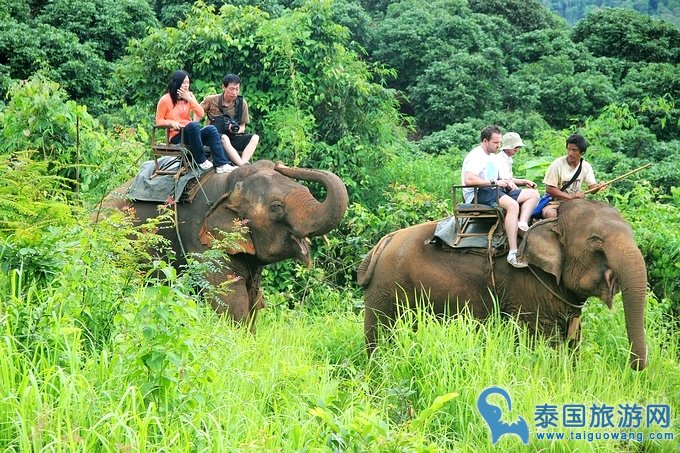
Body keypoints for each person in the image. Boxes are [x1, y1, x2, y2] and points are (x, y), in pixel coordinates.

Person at [462, 126, 538, 268]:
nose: (499, 146)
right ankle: (513, 253)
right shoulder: (476, 156)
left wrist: (509, 183)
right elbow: (469, 180)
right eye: (496, 143)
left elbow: (498, 178)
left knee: (532, 194)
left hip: (493, 189)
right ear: (485, 141)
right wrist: (495, 182)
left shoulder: (491, 156)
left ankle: (522, 223)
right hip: (479, 193)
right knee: (513, 205)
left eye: (499, 142)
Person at [155, 70, 233, 173]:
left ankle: (221, 164)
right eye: (183, 82)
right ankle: (201, 160)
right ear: (176, 83)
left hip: (191, 133)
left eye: (188, 82)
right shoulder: (165, 99)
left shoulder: (189, 97)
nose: (186, 85)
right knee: (193, 125)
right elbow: (159, 120)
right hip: (177, 136)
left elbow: (200, 113)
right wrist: (170, 122)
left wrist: (191, 100)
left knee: (211, 129)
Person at [541, 133, 606, 219]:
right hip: (556, 203)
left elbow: (592, 189)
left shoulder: (586, 166)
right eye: (569, 149)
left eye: (574, 150)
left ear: (582, 152)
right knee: (551, 214)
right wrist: (570, 197)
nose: (570, 153)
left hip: (577, 202)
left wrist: (598, 187)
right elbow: (550, 189)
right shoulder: (557, 164)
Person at [200, 74, 259, 167]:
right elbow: (197, 111)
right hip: (214, 138)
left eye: (237, 89)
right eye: (231, 89)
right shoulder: (212, 100)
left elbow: (243, 126)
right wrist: (195, 123)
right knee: (224, 138)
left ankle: (244, 161)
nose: (234, 92)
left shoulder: (241, 103)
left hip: (232, 137)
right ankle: (242, 165)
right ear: (223, 87)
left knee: (255, 137)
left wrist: (236, 130)